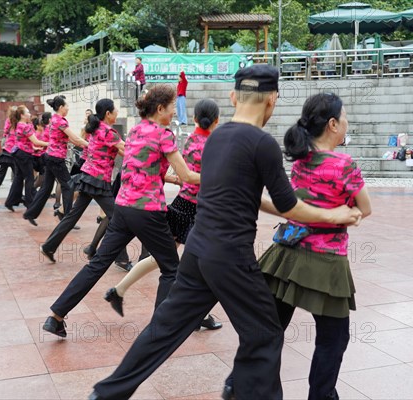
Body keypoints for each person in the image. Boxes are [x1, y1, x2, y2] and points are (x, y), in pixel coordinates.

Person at [89, 65, 362, 400]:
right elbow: (289, 206)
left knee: (164, 330)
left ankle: (106, 393)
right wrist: (332, 213)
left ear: (234, 97)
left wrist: (320, 212)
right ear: (272, 100)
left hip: (197, 252)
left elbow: (252, 197)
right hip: (230, 257)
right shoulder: (262, 143)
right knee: (265, 334)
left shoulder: (218, 137)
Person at [42, 84, 200, 338]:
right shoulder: (164, 134)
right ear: (160, 108)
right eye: (171, 108)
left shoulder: (136, 131)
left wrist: (172, 180)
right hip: (148, 211)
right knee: (171, 268)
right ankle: (159, 331)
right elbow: (188, 175)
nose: (173, 113)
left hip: (124, 207)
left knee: (97, 265)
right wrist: (218, 177)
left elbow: (141, 169)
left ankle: (56, 316)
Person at [251, 92, 372, 400]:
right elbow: (365, 208)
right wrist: (349, 213)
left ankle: (247, 386)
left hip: (286, 255)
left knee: (271, 330)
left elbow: (298, 202)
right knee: (333, 338)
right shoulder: (345, 164)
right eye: (343, 118)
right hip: (325, 261)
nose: (346, 123)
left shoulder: (301, 159)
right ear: (332, 124)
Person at [105, 98, 222, 331]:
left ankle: (118, 290)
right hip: (200, 210)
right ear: (216, 121)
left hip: (181, 205)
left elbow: (182, 174)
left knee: (164, 260)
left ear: (196, 119)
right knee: (197, 263)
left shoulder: (189, 140)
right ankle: (195, 314)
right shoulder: (214, 145)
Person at [39, 99, 125, 261]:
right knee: (117, 218)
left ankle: (49, 246)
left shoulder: (97, 128)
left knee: (72, 216)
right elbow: (126, 149)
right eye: (115, 111)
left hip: (88, 177)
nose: (117, 113)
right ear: (108, 113)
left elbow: (119, 150)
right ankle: (120, 258)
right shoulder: (108, 132)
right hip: (98, 180)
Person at [23, 96, 89, 224]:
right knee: (68, 186)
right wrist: (91, 145)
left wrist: (83, 144)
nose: (68, 108)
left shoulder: (54, 119)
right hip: (56, 158)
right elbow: (75, 138)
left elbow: (70, 138)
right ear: (60, 107)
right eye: (67, 106)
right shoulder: (61, 122)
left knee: (46, 188)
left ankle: (30, 213)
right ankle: (67, 219)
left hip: (49, 156)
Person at [4, 105, 49, 212]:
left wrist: (34, 148)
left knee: (19, 178)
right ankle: (30, 204)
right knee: (29, 178)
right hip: (24, 155)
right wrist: (51, 143)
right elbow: (36, 141)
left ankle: (10, 202)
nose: (29, 114)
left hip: (18, 153)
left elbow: (23, 141)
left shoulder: (18, 124)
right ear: (22, 115)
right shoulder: (25, 126)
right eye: (27, 112)